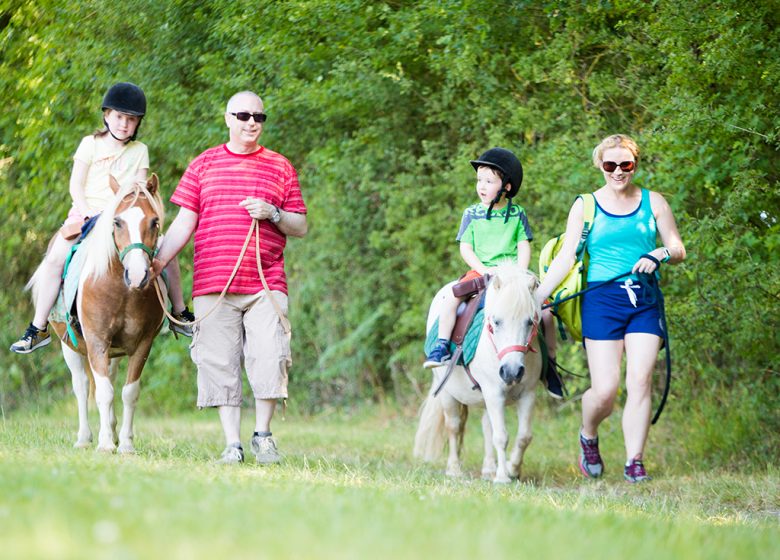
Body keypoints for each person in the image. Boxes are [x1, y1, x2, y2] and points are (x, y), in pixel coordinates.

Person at [152, 91, 308, 465]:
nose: (251, 122)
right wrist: (157, 263)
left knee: (269, 355)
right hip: (213, 284)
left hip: (265, 283)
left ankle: (263, 436)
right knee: (218, 361)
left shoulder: (280, 166)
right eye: (243, 115)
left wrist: (273, 213)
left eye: (258, 116)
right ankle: (231, 444)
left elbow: (300, 225)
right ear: (228, 118)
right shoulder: (203, 165)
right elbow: (184, 223)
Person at [536, 134, 686, 482]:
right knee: (604, 390)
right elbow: (566, 257)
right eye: (610, 165)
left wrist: (659, 253)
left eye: (625, 165)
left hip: (644, 300)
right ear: (600, 166)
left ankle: (635, 461)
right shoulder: (585, 205)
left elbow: (677, 247)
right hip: (601, 301)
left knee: (640, 380)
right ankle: (588, 433)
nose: (618, 172)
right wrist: (539, 295)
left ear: (634, 164)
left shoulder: (654, 202)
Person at [10, 82, 194, 354]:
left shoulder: (139, 150)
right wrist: (85, 211)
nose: (124, 124)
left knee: (168, 251)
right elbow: (76, 185)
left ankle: (179, 313)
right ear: (106, 116)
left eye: (131, 120)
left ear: (137, 124)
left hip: (125, 220)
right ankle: (38, 328)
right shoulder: (90, 144)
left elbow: (139, 191)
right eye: (119, 117)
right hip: (89, 215)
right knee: (54, 259)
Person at [423, 147, 565, 399]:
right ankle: (442, 345)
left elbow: (523, 244)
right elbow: (465, 248)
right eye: (479, 180)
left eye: (489, 181)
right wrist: (483, 270)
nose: (482, 186)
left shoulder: (517, 214)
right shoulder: (471, 214)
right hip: (481, 271)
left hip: (514, 273)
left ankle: (550, 366)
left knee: (545, 312)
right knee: (451, 298)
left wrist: (520, 273)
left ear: (506, 187)